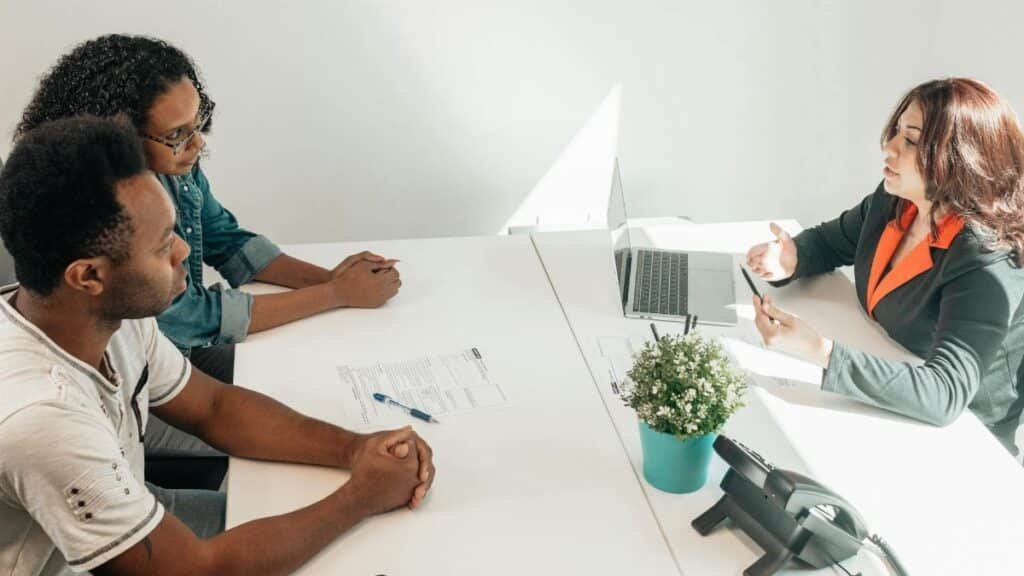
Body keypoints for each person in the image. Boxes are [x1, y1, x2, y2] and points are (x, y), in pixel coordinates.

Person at [0, 116, 435, 575]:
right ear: (89, 276)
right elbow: (199, 572)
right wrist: (361, 496)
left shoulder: (108, 314)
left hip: (122, 522)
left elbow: (213, 407)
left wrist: (357, 450)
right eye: (163, 244)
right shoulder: (43, 418)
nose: (183, 252)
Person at [16, 34, 402, 485]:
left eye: (199, 124)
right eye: (178, 135)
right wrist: (334, 294)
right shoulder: (86, 214)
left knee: (303, 405)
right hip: (136, 386)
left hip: (171, 359)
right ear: (116, 134)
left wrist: (336, 279)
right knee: (268, 458)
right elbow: (188, 314)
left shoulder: (176, 165)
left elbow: (224, 238)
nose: (197, 144)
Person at [746, 78, 1024, 454]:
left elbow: (944, 394)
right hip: (887, 377)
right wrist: (790, 258)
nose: (888, 148)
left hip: (965, 437)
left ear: (959, 159)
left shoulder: (988, 259)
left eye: (910, 141)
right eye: (895, 132)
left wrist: (819, 349)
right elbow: (830, 242)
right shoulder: (897, 200)